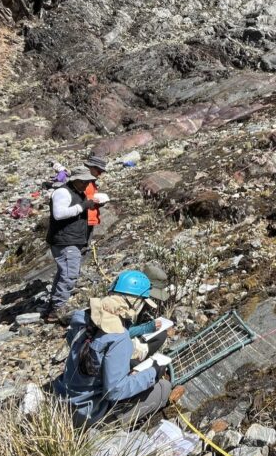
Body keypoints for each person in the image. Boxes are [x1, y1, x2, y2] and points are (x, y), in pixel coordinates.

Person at [54, 270, 177, 427]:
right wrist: (153, 373)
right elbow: (115, 391)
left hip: (63, 398)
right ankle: (111, 427)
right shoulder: (119, 337)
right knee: (163, 388)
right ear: (136, 303)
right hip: (87, 416)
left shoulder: (82, 316)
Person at [44, 167, 102, 322]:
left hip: (70, 239)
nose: (86, 184)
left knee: (64, 273)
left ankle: (54, 306)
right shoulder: (63, 192)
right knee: (70, 274)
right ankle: (57, 310)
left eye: (88, 181)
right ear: (75, 180)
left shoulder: (76, 192)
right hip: (65, 240)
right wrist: (83, 206)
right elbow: (59, 214)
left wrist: (89, 205)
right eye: (83, 181)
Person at [82, 154, 108, 239]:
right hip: (82, 221)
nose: (99, 174)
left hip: (90, 220)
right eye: (99, 171)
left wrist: (99, 203)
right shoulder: (81, 182)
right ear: (91, 168)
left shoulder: (92, 182)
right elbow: (77, 199)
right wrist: (92, 200)